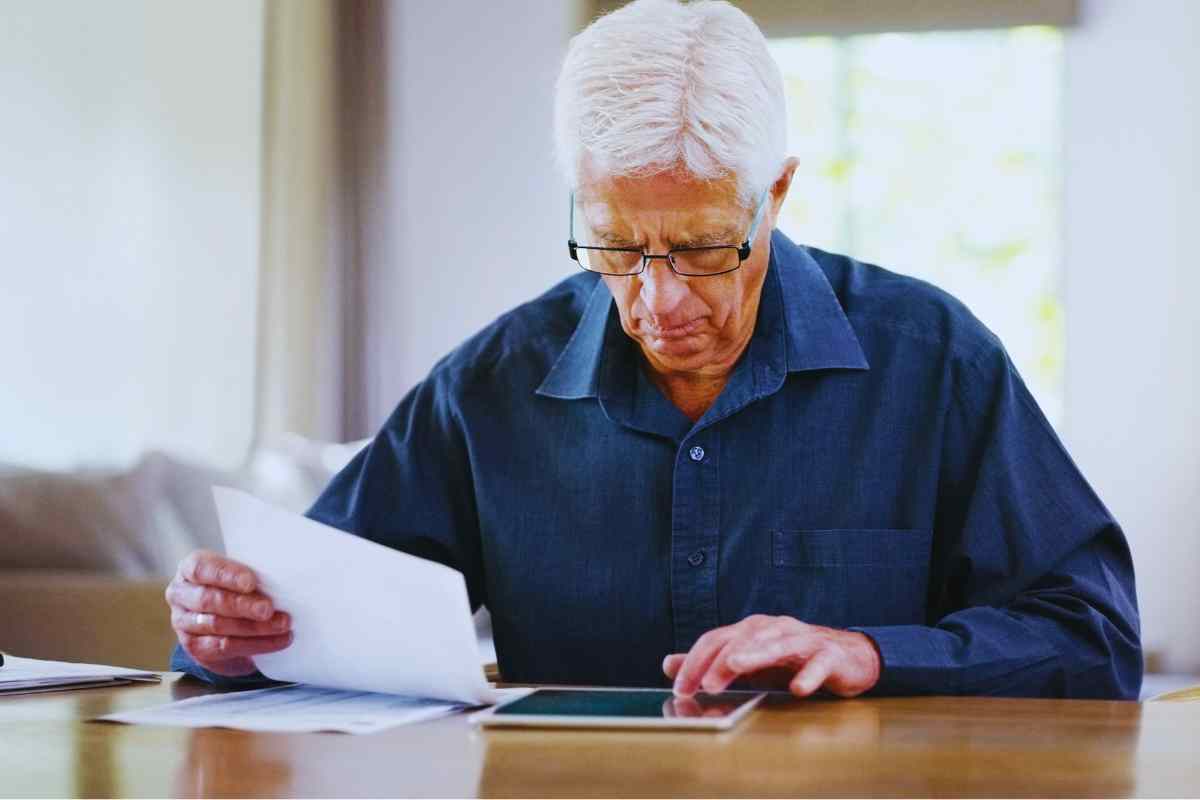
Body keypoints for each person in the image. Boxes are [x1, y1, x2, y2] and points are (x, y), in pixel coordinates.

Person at [167, 0, 1141, 699]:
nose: (656, 299)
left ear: (779, 194)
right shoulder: (489, 386)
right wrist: (233, 632)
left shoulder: (937, 360)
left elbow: (1095, 638)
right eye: (618, 247)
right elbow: (310, 612)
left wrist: (872, 649)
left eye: (708, 246)